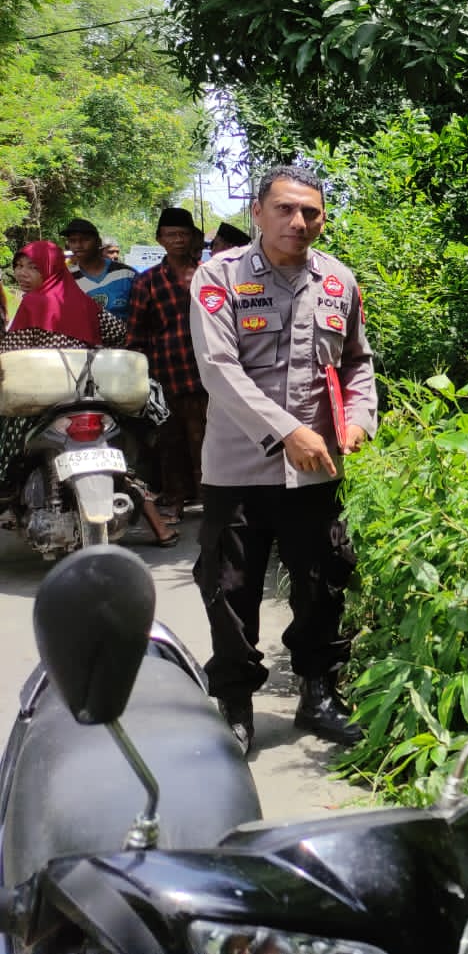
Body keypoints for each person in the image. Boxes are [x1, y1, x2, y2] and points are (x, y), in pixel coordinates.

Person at [190, 166, 377, 754]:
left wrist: (361, 419)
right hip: (238, 467)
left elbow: (357, 364)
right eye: (286, 210)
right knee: (231, 587)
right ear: (258, 212)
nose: (299, 222)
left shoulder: (339, 281)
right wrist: (288, 430)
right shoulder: (219, 277)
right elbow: (218, 369)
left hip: (317, 469)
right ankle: (236, 705)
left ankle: (318, 695)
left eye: (311, 212)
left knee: (323, 582)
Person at [3, 241, 178, 546]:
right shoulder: (84, 302)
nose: (22, 273)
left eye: (32, 266)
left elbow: (10, 352)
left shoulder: (32, 304)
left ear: (51, 269)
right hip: (91, 394)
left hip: (44, 399)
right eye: (19, 266)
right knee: (123, 463)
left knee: (8, 443)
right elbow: (118, 334)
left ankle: (8, 496)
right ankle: (161, 529)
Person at [127, 207, 208, 523]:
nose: (178, 240)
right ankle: (174, 502)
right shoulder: (146, 283)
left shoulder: (208, 274)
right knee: (169, 443)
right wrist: (143, 378)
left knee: (208, 441)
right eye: (172, 234)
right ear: (160, 239)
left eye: (184, 234)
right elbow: (135, 336)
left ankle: (211, 502)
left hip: (206, 375)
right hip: (165, 377)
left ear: (192, 239)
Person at [64, 219, 138, 322]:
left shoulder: (127, 275)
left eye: (85, 239)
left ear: (98, 242)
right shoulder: (66, 279)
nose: (78, 245)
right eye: (73, 241)